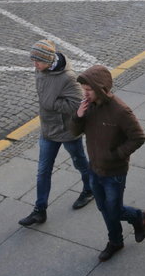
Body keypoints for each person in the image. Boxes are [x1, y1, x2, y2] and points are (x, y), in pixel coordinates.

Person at [71, 65, 145, 261]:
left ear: (101, 89)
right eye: (83, 89)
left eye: (88, 90)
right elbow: (74, 132)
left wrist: (116, 155)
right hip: (94, 168)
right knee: (105, 208)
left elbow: (138, 137)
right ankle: (117, 239)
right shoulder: (88, 107)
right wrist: (78, 116)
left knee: (113, 209)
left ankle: (132, 221)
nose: (85, 94)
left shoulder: (121, 111)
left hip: (114, 172)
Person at [18, 40, 93, 228]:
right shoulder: (40, 69)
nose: (34, 65)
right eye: (33, 60)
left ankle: (90, 189)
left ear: (47, 59)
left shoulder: (68, 78)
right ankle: (39, 210)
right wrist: (49, 104)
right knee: (43, 170)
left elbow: (78, 104)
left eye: (37, 61)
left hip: (67, 130)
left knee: (80, 162)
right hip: (48, 129)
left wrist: (52, 104)